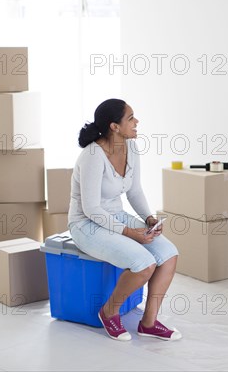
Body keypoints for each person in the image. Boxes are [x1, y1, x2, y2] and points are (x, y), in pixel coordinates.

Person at [68, 98, 181, 341]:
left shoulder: (132, 147)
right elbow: (91, 209)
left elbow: (134, 190)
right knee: (145, 264)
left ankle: (148, 323)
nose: (136, 121)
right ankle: (109, 312)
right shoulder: (92, 155)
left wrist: (148, 218)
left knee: (169, 254)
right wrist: (131, 233)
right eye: (130, 118)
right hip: (86, 224)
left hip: (115, 216)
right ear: (114, 127)